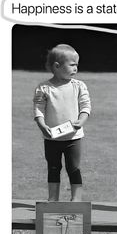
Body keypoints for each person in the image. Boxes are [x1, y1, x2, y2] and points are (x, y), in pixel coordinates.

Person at [33, 44, 91, 201]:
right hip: (51, 139)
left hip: (74, 138)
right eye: (72, 65)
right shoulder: (44, 88)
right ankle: (53, 199)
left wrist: (82, 120)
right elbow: (38, 109)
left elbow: (86, 106)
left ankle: (76, 199)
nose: (76, 68)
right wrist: (42, 125)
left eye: (77, 65)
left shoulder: (79, 86)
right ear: (57, 66)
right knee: (53, 168)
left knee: (74, 168)